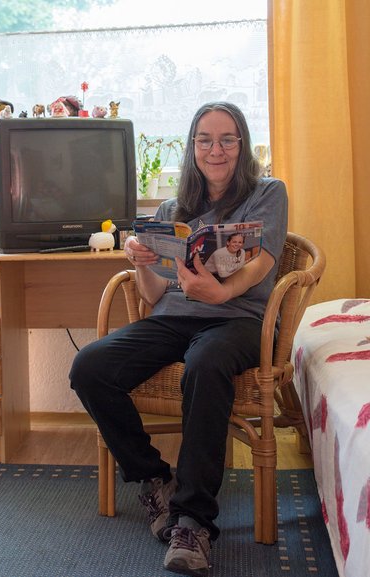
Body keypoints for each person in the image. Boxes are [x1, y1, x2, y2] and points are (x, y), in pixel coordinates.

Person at [69, 102, 288, 577]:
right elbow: (151, 295)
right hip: (173, 318)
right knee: (89, 366)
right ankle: (153, 479)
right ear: (192, 147)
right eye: (205, 139)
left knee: (205, 364)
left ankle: (193, 520)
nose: (216, 150)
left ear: (242, 145)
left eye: (227, 139)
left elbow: (263, 263)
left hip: (238, 320)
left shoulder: (268, 192)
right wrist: (142, 263)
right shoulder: (172, 209)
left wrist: (221, 290)